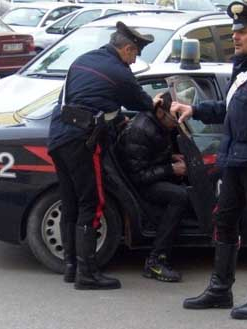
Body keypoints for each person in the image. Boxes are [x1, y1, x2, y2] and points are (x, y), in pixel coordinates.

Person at [171, 1, 247, 320]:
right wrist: (195, 110)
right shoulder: (243, 69)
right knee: (224, 223)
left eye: (243, 31)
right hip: (235, 162)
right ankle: (220, 289)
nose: (236, 37)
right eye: (235, 32)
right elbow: (231, 109)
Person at [48, 21, 162, 290]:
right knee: (92, 202)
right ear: (127, 48)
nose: (134, 62)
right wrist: (156, 103)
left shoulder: (84, 60)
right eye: (134, 55)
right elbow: (143, 104)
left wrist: (117, 118)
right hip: (82, 141)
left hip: (57, 138)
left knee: (71, 202)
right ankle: (87, 275)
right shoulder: (119, 72)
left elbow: (90, 97)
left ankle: (71, 267)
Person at [118, 92, 188, 282]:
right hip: (140, 185)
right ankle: (156, 260)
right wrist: (171, 169)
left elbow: (150, 156)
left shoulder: (158, 124)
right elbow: (139, 175)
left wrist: (170, 158)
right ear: (159, 113)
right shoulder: (141, 130)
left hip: (151, 173)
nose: (176, 124)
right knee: (179, 196)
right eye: (174, 120)